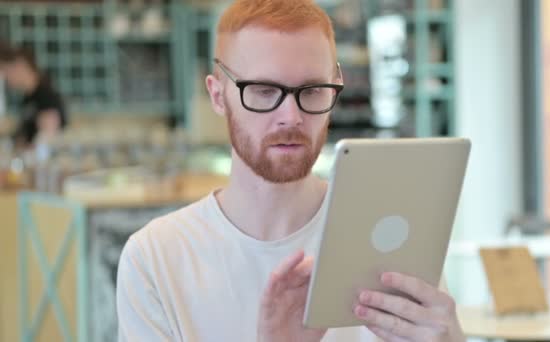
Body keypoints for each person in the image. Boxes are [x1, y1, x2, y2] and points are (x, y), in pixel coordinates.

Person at [116, 0, 465, 341]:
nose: (292, 116)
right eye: (265, 91)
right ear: (218, 95)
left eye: (312, 91)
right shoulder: (156, 258)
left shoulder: (388, 239)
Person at [0, 41, 68, 149]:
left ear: (21, 65)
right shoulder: (28, 98)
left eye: (7, 71)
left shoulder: (45, 95)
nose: (6, 78)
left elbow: (47, 138)